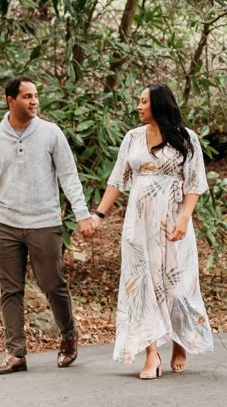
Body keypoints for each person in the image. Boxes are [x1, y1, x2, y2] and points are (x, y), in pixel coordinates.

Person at [0, 77, 97, 374]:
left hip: (44, 222)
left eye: (36, 96)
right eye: (27, 96)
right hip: (6, 223)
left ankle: (68, 337)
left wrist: (82, 214)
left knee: (52, 284)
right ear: (10, 101)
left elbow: (69, 176)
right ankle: (16, 353)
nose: (34, 101)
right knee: (9, 290)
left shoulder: (51, 133)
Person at [91, 82, 214, 380]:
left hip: (172, 221)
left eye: (143, 101)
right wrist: (98, 214)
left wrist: (184, 218)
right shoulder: (132, 138)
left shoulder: (187, 139)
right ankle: (151, 352)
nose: (138, 106)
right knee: (142, 283)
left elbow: (194, 183)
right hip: (138, 223)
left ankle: (179, 340)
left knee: (176, 283)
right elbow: (117, 180)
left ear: (158, 104)